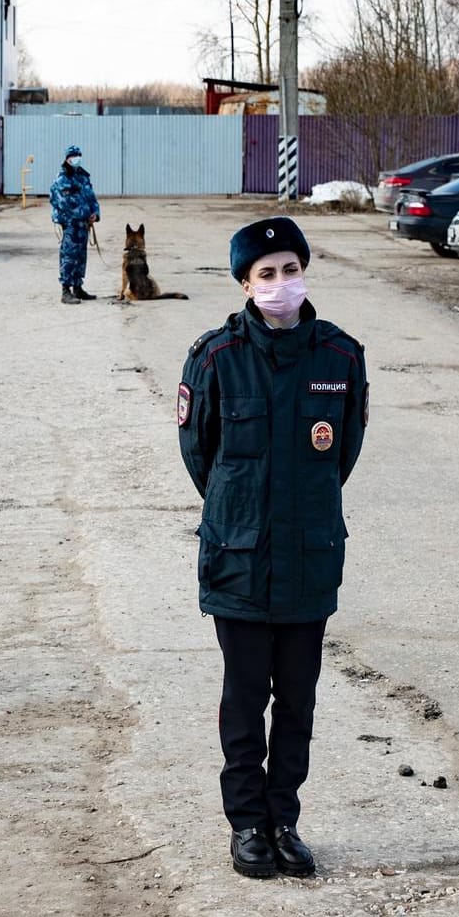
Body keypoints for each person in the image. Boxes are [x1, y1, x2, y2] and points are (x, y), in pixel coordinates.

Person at [176, 217, 369, 879]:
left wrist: (300, 513)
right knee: (243, 697)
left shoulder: (340, 358)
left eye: (291, 269)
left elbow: (342, 456)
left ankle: (284, 820)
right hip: (239, 557)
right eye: (267, 274)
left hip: (309, 558)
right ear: (244, 284)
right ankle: (247, 825)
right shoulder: (216, 357)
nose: (281, 284)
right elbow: (199, 454)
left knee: (298, 699)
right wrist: (244, 510)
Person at [48, 145, 100, 304]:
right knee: (69, 256)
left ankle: (78, 287)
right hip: (70, 223)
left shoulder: (83, 176)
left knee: (80, 256)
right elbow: (65, 203)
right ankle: (66, 290)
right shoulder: (62, 179)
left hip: (83, 223)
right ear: (67, 158)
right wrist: (83, 214)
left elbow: (91, 198)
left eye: (78, 155)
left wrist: (95, 213)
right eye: (73, 155)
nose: (76, 158)